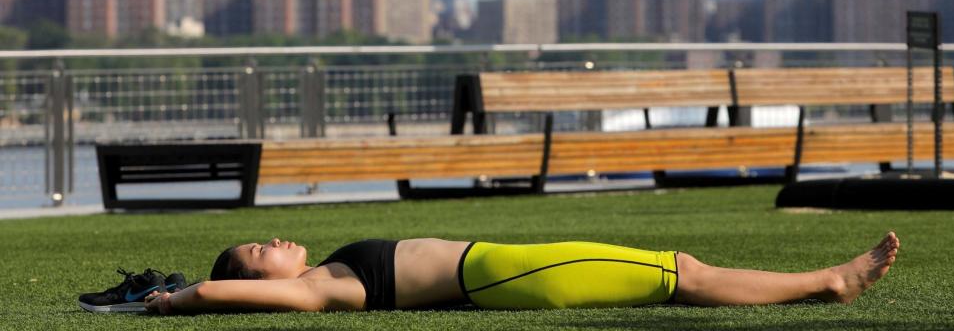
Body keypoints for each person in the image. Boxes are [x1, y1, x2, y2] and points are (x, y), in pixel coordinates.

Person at [144, 231, 900, 315]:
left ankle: (821, 279)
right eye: (258, 251)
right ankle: (825, 282)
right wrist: (167, 301)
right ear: (265, 283)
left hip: (505, 270)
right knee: (686, 274)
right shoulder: (318, 289)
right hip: (508, 277)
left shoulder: (331, 271)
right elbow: (210, 292)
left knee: (684, 270)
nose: (274, 242)